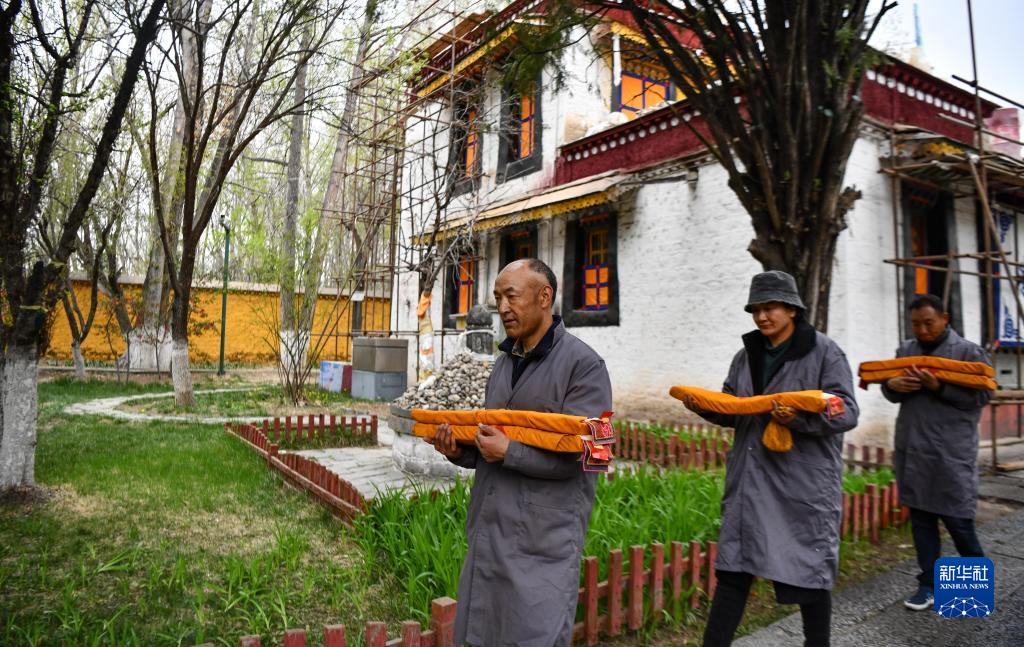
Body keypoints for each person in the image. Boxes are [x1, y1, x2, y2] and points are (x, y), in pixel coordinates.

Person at [428, 258, 613, 647]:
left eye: (511, 296)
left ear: (544, 297)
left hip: (543, 539)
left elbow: (595, 456)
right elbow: (489, 444)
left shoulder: (585, 366)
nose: (503, 307)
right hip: (492, 528)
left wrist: (511, 452)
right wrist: (457, 451)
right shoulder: (503, 364)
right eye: (497, 298)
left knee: (533, 635)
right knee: (487, 634)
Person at [682, 270, 859, 647]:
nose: (762, 316)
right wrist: (707, 408)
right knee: (733, 573)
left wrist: (797, 419)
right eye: (756, 309)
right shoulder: (745, 357)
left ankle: (818, 644)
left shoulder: (825, 352)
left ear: (792, 309)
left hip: (799, 484)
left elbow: (846, 411)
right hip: (751, 481)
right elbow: (734, 407)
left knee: (808, 577)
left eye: (771, 307)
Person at [881, 294, 990, 611]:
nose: (923, 331)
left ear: (945, 319)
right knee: (921, 521)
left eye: (929, 323)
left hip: (950, 451)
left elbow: (980, 398)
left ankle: (969, 594)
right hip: (914, 448)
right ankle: (928, 586)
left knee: (958, 522)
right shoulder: (906, 351)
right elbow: (890, 392)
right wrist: (892, 387)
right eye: (916, 324)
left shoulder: (969, 352)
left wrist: (939, 387)